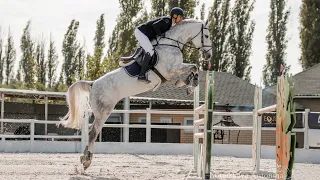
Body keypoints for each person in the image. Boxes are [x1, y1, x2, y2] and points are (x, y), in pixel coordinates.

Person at [135, 7, 185, 83]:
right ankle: (141, 75)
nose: (181, 19)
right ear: (174, 15)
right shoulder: (167, 21)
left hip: (146, 34)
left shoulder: (170, 23)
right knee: (150, 51)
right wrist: (161, 34)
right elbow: (155, 25)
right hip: (141, 32)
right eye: (180, 17)